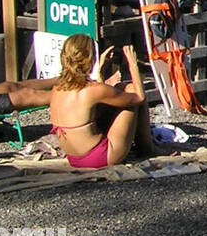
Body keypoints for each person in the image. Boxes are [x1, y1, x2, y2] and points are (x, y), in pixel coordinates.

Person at [48, 35, 154, 168]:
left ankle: (145, 147)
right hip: (100, 157)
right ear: (90, 58)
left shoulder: (57, 89)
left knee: (119, 90)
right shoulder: (92, 90)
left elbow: (94, 103)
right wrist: (133, 65)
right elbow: (139, 97)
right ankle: (146, 149)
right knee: (132, 91)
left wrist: (100, 71)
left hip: (74, 159)